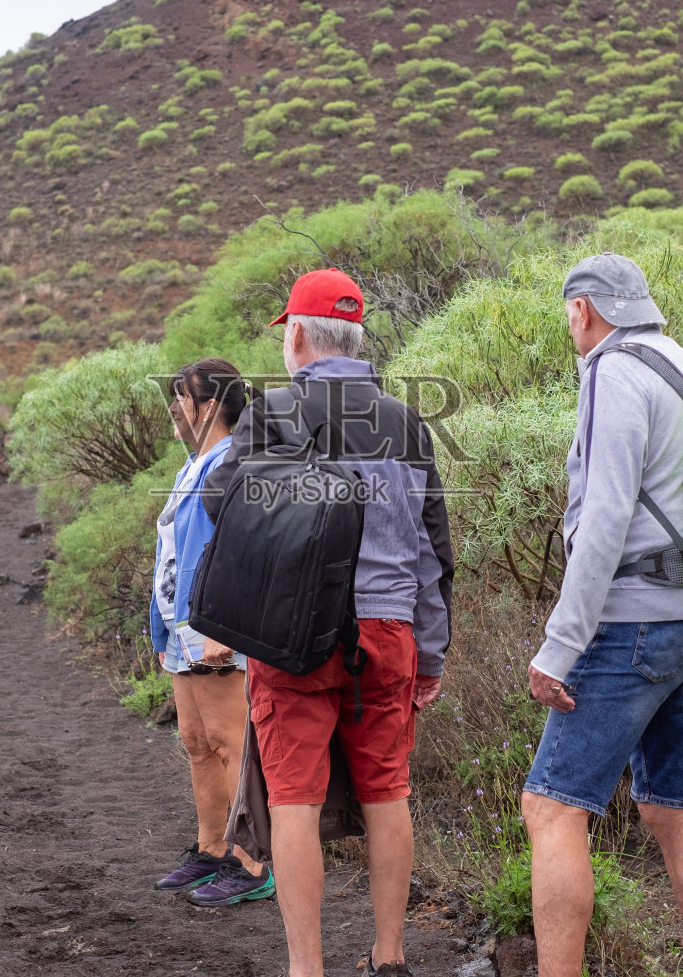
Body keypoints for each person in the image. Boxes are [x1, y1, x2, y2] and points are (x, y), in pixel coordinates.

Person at [203, 268, 454, 977]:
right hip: (389, 632)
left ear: (299, 336)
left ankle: (306, 968)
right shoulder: (406, 420)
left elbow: (220, 501)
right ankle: (390, 957)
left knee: (294, 800)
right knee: (388, 791)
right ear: (355, 336)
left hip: (294, 636)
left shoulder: (273, 411)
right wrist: (431, 653)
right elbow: (434, 549)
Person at [522, 253, 683, 977]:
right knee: (675, 811)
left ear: (582, 309)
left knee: (552, 807)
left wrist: (559, 648)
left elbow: (604, 520)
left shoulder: (613, 371)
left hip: (634, 625)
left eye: (569, 316)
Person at [149, 358, 276, 907]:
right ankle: (212, 850)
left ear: (210, 406)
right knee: (197, 742)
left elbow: (243, 551)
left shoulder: (231, 463)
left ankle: (252, 865)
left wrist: (227, 624)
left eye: (182, 397)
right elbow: (171, 550)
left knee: (232, 744)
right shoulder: (193, 464)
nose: (174, 408)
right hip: (183, 627)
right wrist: (160, 630)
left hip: (215, 628)